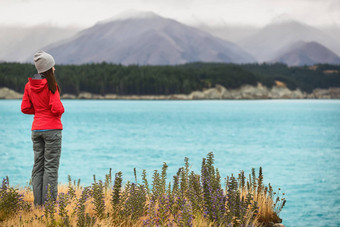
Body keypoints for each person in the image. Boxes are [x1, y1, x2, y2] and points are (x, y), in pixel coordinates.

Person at [21, 51, 64, 206]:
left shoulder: (29, 85)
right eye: (52, 66)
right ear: (48, 68)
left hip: (36, 130)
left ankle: (38, 206)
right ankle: (49, 208)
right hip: (52, 130)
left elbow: (25, 108)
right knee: (51, 168)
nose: (54, 69)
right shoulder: (52, 85)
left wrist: (39, 111)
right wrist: (56, 110)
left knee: (38, 167)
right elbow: (56, 109)